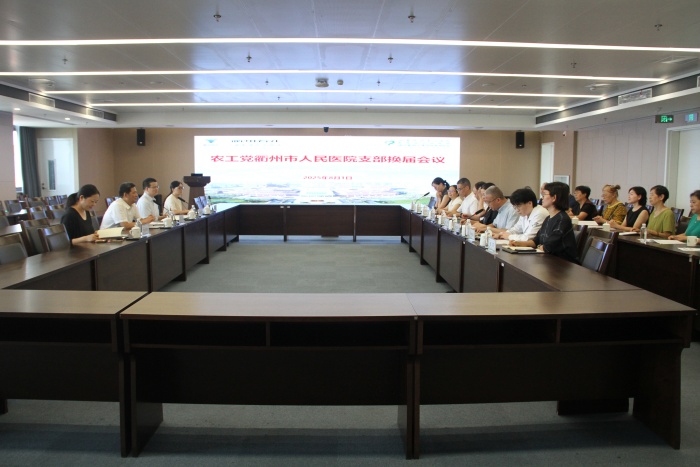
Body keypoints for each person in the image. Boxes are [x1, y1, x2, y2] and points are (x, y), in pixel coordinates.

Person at [510, 181, 578, 263]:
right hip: (548, 260)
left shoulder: (562, 219)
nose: (542, 198)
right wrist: (519, 243)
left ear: (554, 198)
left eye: (544, 195)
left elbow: (548, 247)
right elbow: (536, 241)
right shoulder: (548, 218)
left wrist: (541, 246)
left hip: (562, 263)